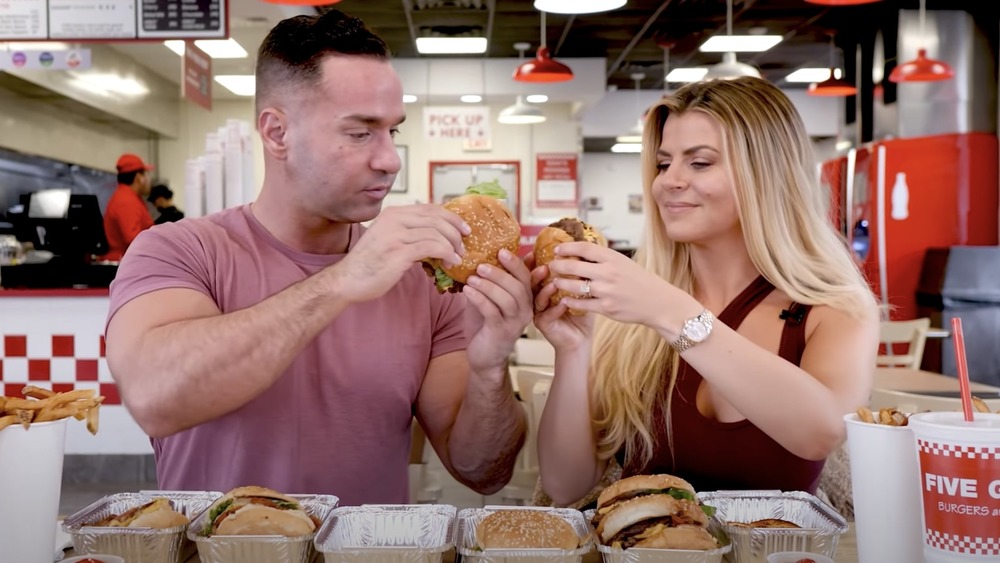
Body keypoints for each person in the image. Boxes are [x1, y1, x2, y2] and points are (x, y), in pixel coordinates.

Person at [104, 10, 531, 506]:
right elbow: (155, 398)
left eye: (392, 131)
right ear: (277, 132)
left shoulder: (423, 279)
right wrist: (343, 280)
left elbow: (482, 470)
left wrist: (491, 365)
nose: (390, 158)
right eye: (360, 132)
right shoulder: (178, 249)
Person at [533, 77, 880, 506]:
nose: (668, 182)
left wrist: (670, 311)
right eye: (663, 164)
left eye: (699, 163)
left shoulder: (833, 308)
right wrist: (573, 349)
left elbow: (821, 432)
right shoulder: (631, 313)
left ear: (765, 175)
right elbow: (566, 485)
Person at [102, 153, 154, 261]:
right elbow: (133, 238)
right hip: (125, 264)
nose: (148, 180)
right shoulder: (127, 201)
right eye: (146, 174)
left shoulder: (128, 196)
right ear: (139, 178)